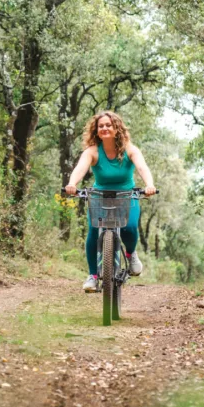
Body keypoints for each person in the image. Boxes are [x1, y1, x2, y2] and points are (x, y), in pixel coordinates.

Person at [64, 110, 156, 292]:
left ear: (116, 128)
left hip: (126, 195)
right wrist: (72, 183)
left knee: (130, 227)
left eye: (108, 125)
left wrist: (149, 185)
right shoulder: (92, 151)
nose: (104, 128)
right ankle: (93, 276)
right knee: (93, 230)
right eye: (101, 126)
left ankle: (130, 254)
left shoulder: (129, 149)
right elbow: (80, 168)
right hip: (100, 196)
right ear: (96, 130)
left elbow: (142, 167)